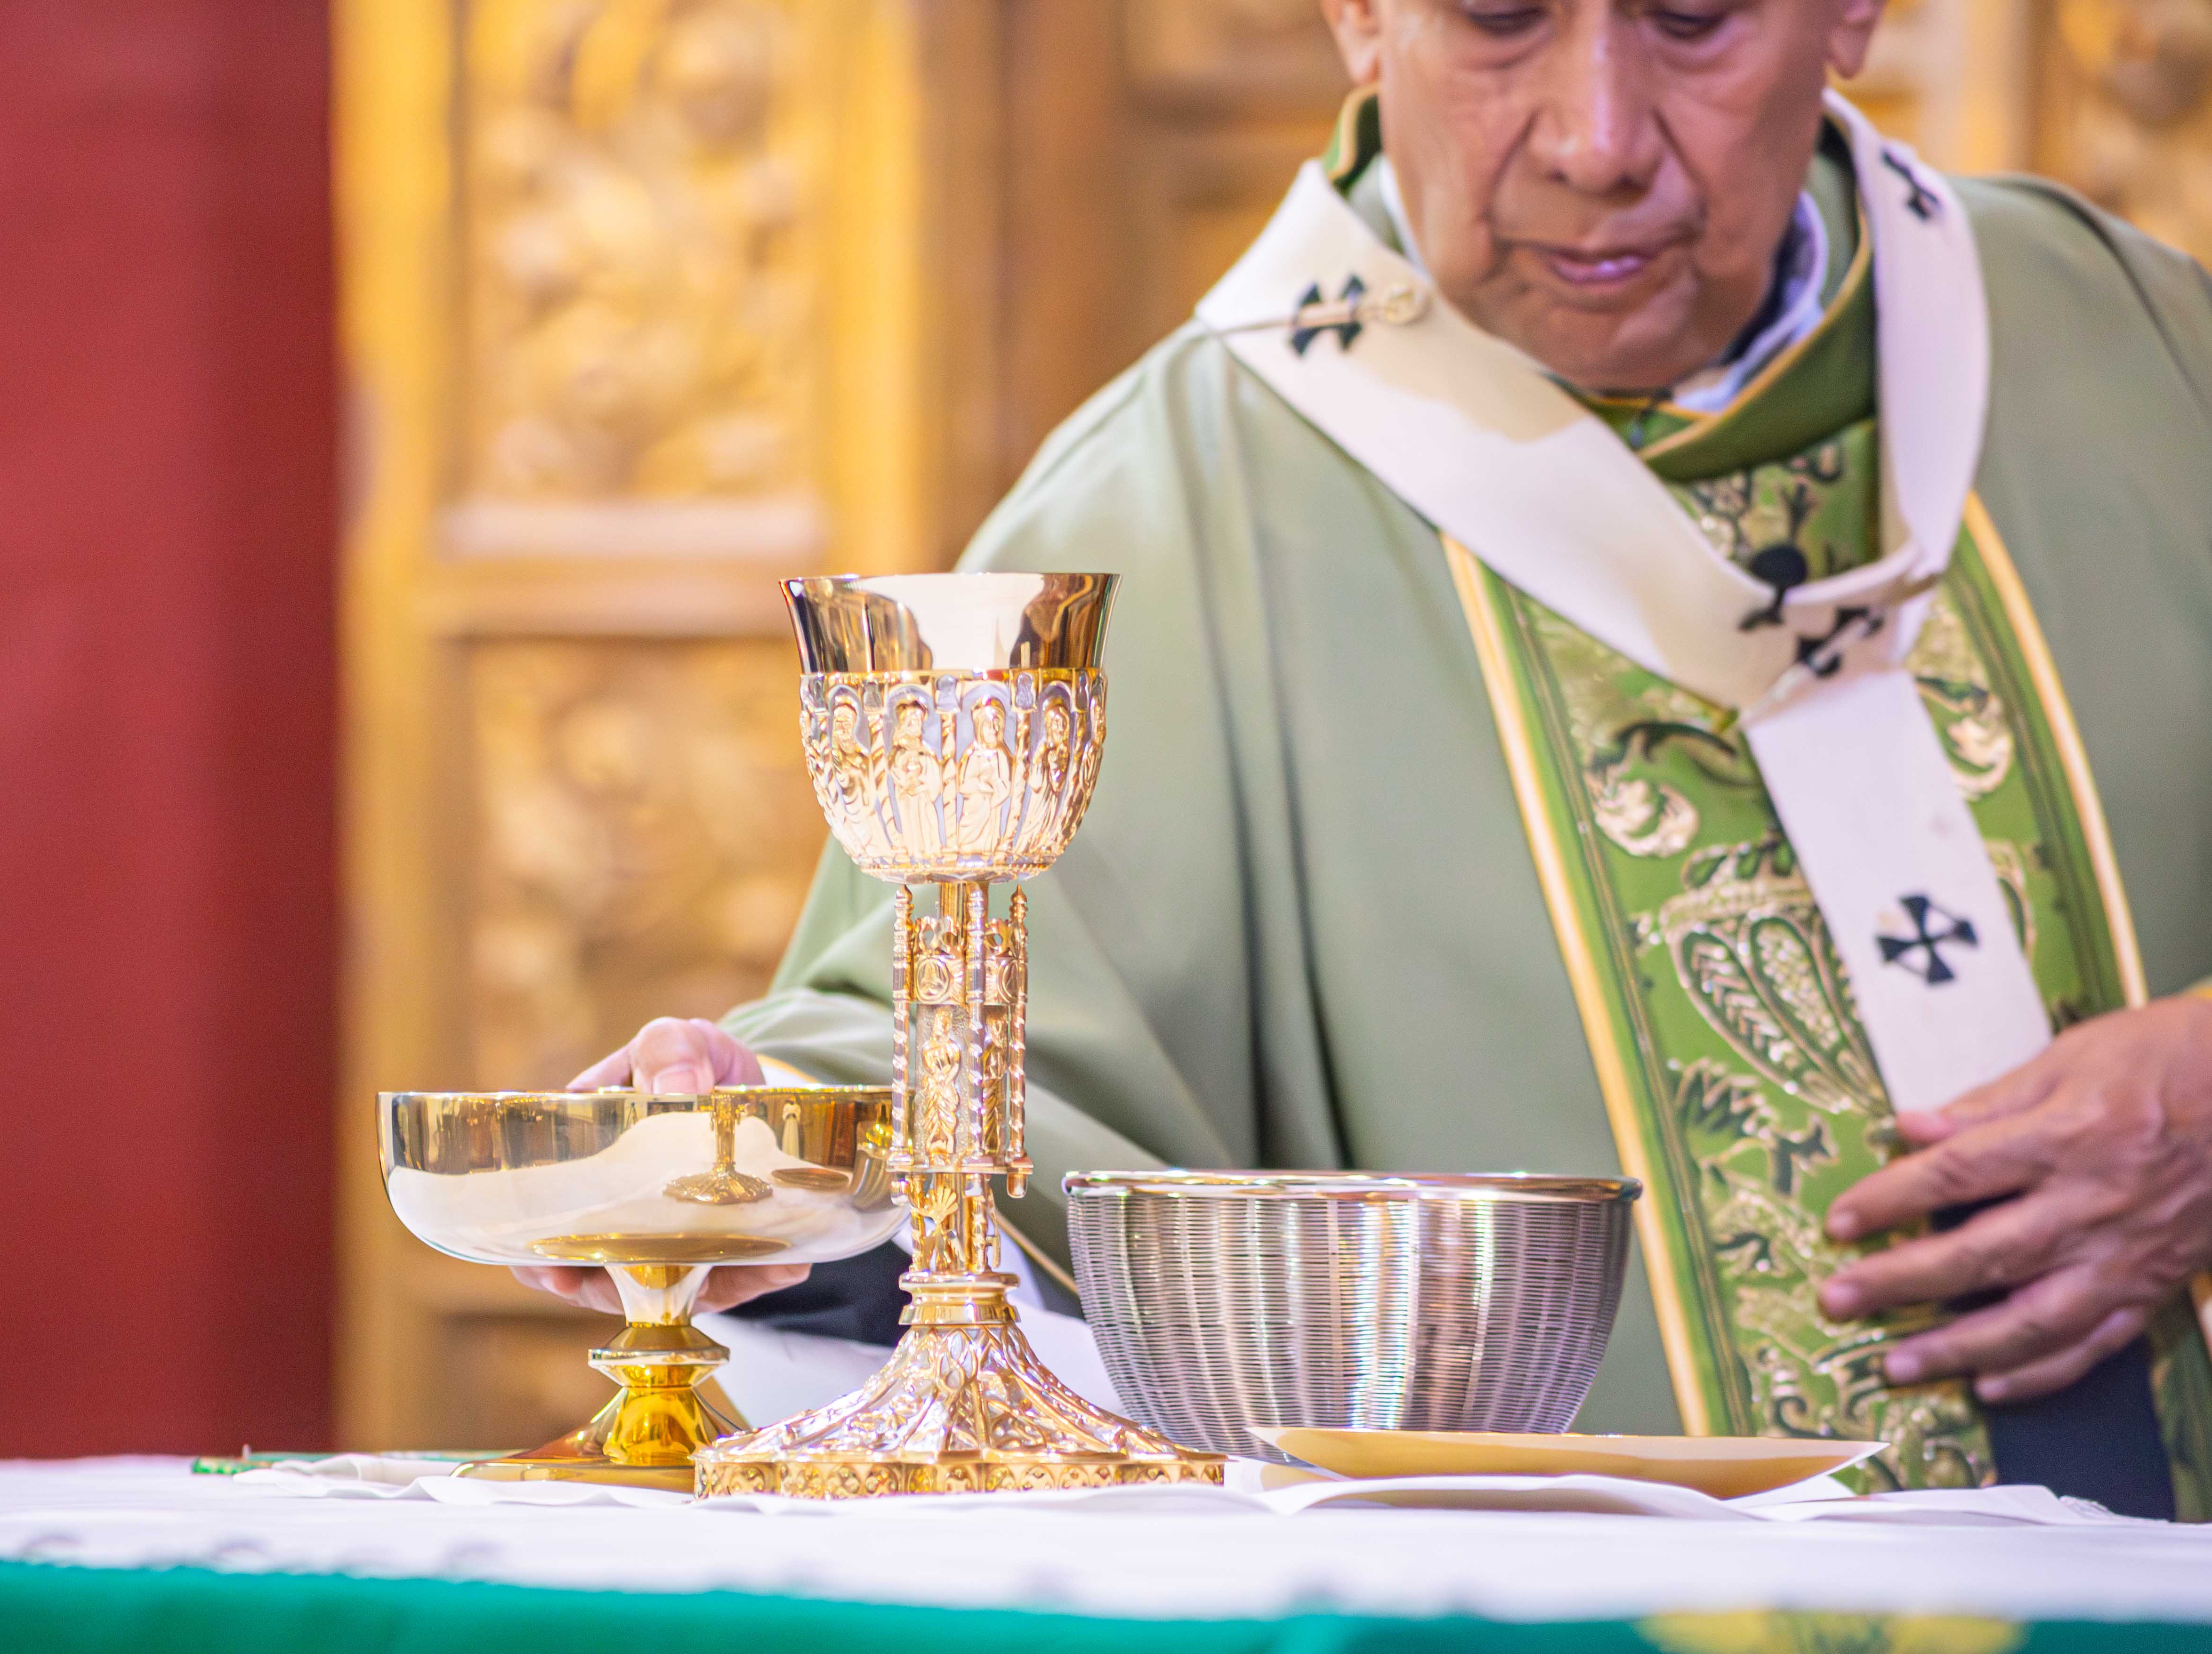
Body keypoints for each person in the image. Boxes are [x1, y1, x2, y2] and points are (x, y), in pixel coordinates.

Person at [525, 0, 2212, 1517]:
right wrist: (771, 1155)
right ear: (1355, 13)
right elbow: (964, 1051)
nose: (1598, 138)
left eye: (1694, 21)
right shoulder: (1170, 510)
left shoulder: (2135, 350)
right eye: (1497, 21)